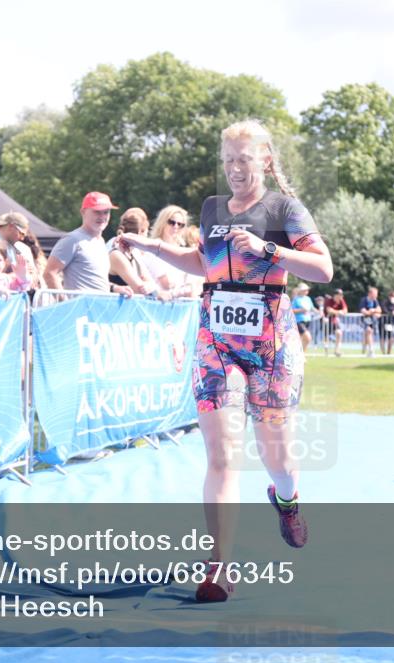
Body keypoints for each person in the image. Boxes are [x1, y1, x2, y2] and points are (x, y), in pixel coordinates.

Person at [118, 119, 333, 602]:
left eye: (245, 159)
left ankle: (287, 500)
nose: (236, 169)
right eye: (229, 160)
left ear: (265, 161)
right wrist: (150, 246)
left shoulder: (285, 209)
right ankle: (219, 568)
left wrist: (268, 249)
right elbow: (203, 263)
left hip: (271, 344)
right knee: (222, 455)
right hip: (217, 342)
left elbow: (323, 268)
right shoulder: (213, 209)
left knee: (278, 458)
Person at [43, 192, 133, 297]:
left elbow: (94, 281)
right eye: (97, 212)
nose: (102, 217)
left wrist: (115, 288)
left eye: (106, 212)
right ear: (83, 212)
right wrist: (66, 305)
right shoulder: (72, 239)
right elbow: (49, 273)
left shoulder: (101, 242)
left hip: (99, 308)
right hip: (80, 311)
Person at [108, 208, 169, 299]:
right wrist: (156, 292)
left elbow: (151, 283)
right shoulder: (117, 255)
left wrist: (152, 288)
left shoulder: (134, 253)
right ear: (141, 232)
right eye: (146, 232)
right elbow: (140, 289)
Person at [142, 205, 198, 298]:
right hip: (159, 305)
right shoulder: (153, 247)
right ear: (163, 222)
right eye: (171, 222)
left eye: (180, 224)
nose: (176, 226)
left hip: (182, 305)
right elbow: (167, 285)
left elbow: (192, 285)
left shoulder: (183, 251)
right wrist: (186, 287)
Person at [0, 212, 38, 286]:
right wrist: (20, 274)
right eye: (21, 233)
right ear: (11, 226)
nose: (22, 238)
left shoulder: (11, 246)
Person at [324, 287, 348, 357]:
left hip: (334, 321)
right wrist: (339, 312)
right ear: (335, 295)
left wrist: (338, 312)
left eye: (341, 294)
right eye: (340, 294)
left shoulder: (341, 300)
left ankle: (336, 351)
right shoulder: (329, 300)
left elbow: (345, 310)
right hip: (326, 321)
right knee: (326, 337)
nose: (341, 296)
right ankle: (326, 352)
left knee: (339, 333)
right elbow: (329, 310)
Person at [358, 286, 382, 357]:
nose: (376, 296)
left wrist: (373, 310)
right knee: (369, 331)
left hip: (372, 320)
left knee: (368, 335)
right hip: (365, 319)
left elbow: (379, 310)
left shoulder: (375, 301)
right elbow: (363, 311)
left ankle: (364, 348)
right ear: (370, 294)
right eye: (375, 294)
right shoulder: (364, 300)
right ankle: (371, 350)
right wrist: (372, 312)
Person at [291, 282, 315, 352]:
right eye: (305, 290)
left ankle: (299, 355)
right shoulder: (296, 299)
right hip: (299, 321)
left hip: (307, 321)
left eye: (307, 290)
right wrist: (301, 310)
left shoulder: (308, 299)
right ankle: (302, 355)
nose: (307, 291)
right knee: (308, 337)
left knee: (301, 339)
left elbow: (312, 308)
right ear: (300, 291)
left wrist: (320, 312)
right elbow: (292, 310)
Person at [381, 290, 394, 355]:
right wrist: (391, 313)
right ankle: (383, 353)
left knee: (391, 338)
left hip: (391, 323)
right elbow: (384, 310)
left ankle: (388, 352)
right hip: (384, 322)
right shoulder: (385, 302)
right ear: (390, 297)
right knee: (383, 337)